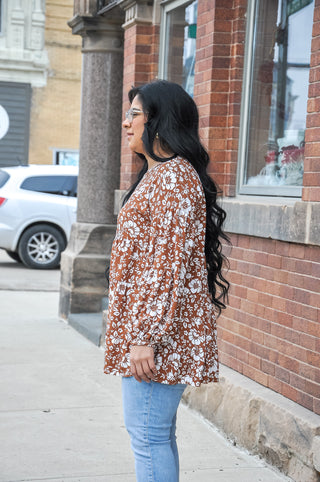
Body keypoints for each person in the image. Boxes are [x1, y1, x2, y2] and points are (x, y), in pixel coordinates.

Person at [104, 80, 229, 482]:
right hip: (153, 329)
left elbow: (165, 265)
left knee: (148, 436)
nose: (126, 124)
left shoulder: (174, 178)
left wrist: (144, 337)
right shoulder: (159, 176)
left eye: (134, 114)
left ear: (159, 120)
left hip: (157, 335)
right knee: (154, 435)